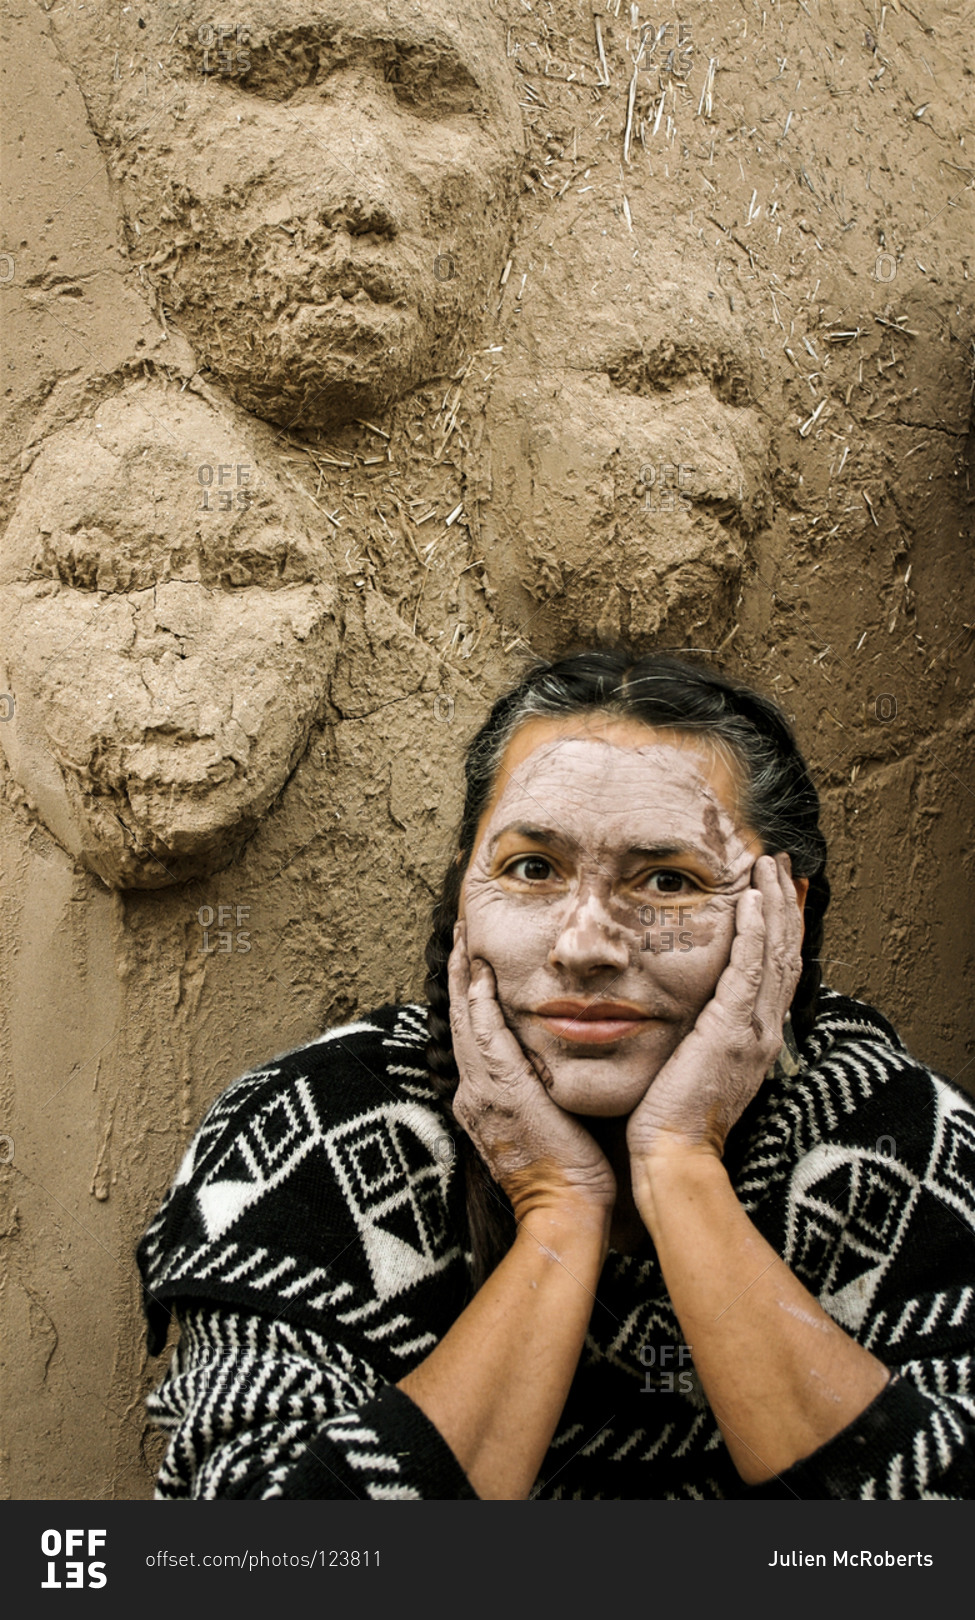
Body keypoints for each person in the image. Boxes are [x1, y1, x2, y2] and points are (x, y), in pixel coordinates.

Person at [137, 647, 975, 1499]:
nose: (583, 948)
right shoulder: (313, 1127)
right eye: (531, 869)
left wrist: (681, 1167)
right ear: (464, 891)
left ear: (780, 913)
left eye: (666, 880)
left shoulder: (886, 1138)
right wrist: (559, 1209)